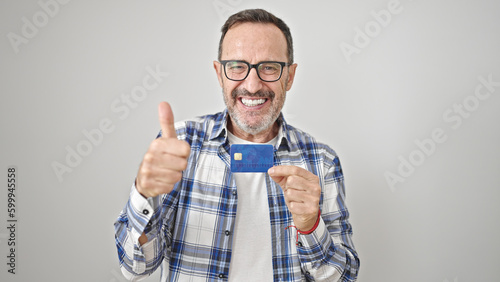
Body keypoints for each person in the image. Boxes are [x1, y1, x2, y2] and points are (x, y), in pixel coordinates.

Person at [114, 8, 360, 281]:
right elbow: (134, 267)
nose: (252, 85)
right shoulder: (180, 145)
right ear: (219, 73)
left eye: (269, 67)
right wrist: (143, 195)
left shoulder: (321, 162)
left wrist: (311, 226)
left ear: (289, 77)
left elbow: (344, 278)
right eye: (237, 67)